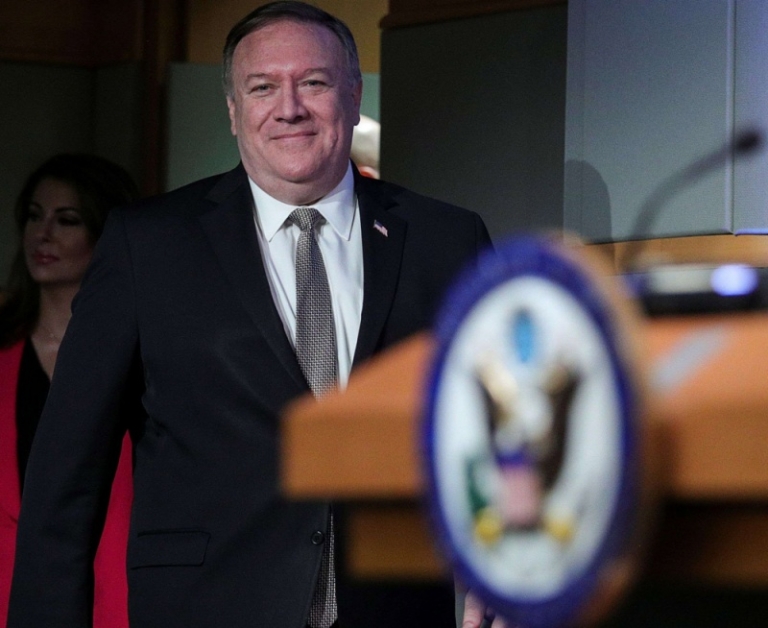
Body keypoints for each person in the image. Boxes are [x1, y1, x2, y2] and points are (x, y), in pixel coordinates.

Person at [8, 3, 492, 628]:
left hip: (396, 609)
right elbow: (65, 481)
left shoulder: (445, 239)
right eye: (262, 87)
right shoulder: (147, 245)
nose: (289, 108)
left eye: (312, 82)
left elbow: (496, 430)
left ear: (353, 94)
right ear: (234, 111)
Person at [0, 154, 139, 628]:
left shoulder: (146, 354)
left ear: (103, 233)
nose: (43, 234)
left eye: (67, 220)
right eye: (34, 216)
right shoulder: (4, 348)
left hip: (120, 598)